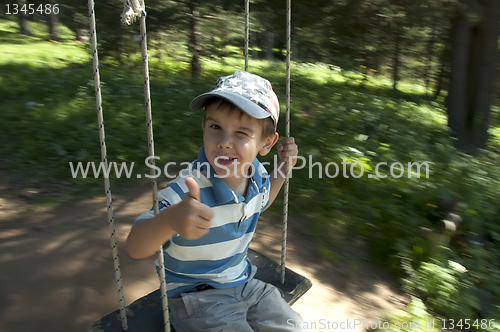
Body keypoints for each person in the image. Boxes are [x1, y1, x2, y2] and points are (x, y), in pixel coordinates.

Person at [126, 70, 306, 331]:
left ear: (266, 143)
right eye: (215, 127)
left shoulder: (256, 175)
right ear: (204, 127)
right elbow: (135, 246)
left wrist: (284, 168)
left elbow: (263, 200)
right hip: (197, 299)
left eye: (241, 133)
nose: (223, 142)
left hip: (245, 285)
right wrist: (170, 219)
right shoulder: (188, 190)